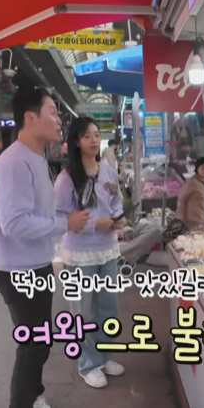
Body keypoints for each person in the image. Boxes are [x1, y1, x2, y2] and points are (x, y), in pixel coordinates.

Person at [0, 87, 89, 408]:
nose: (59, 120)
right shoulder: (14, 163)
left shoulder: (35, 159)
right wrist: (65, 224)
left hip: (36, 264)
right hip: (19, 270)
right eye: (53, 112)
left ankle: (34, 394)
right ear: (30, 118)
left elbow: (37, 213)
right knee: (33, 346)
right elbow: (14, 223)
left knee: (39, 342)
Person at [53, 117, 126, 389]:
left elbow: (115, 200)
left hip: (108, 251)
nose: (94, 140)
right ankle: (88, 364)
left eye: (97, 135)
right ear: (76, 141)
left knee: (108, 308)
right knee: (83, 313)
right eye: (87, 136)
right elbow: (60, 217)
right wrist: (96, 223)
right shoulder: (66, 178)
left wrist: (118, 218)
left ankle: (105, 357)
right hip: (80, 255)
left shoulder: (108, 171)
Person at [176, 157, 204, 229]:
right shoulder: (192, 182)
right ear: (198, 169)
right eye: (203, 167)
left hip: (202, 221)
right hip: (191, 222)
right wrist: (179, 218)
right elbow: (181, 198)